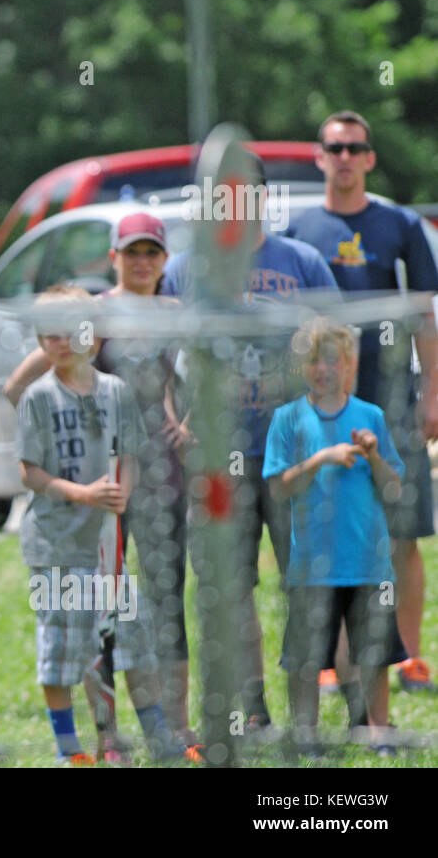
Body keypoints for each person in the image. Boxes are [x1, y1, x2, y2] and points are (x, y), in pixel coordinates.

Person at [160, 159, 340, 730]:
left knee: (307, 582)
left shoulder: (301, 262)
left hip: (295, 452)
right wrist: (175, 424)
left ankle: (306, 715)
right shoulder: (185, 270)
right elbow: (160, 360)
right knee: (228, 587)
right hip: (218, 458)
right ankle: (255, 707)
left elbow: (338, 348)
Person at [4, 213, 194, 747]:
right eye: (130, 251)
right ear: (113, 256)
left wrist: (184, 422)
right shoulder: (91, 316)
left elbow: (188, 381)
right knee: (86, 624)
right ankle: (103, 739)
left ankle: (168, 731)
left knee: (152, 608)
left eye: (151, 252)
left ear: (164, 259)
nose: (141, 261)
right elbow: (19, 389)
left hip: (151, 477)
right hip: (82, 506)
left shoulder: (172, 315)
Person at [287, 110, 438, 694]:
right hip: (324, 401)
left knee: (403, 529)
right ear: (319, 156)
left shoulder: (398, 224)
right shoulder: (301, 230)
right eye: (334, 147)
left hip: (392, 395)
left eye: (355, 147)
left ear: (370, 158)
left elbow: (426, 313)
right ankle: (331, 658)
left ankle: (410, 657)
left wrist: (432, 394)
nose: (345, 156)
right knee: (328, 529)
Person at [264, 318, 407, 753]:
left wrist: (374, 456)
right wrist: (320, 458)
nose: (322, 369)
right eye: (311, 361)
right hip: (312, 564)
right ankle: (306, 735)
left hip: (367, 559)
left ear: (348, 364)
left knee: (374, 654)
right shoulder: (287, 419)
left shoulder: (371, 416)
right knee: (305, 660)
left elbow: (393, 489)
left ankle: (375, 729)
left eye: (331, 360)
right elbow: (277, 486)